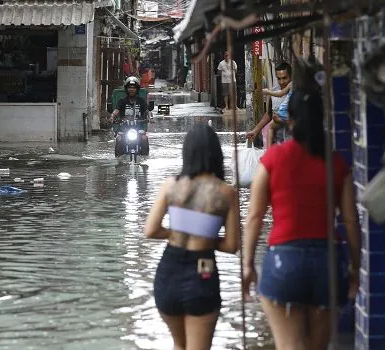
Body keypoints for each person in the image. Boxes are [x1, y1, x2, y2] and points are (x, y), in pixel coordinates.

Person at [242, 87, 361, 349]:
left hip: (285, 263)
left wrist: (248, 265)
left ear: (290, 120)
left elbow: (254, 217)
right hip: (328, 264)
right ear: (322, 118)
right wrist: (354, 266)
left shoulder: (272, 159)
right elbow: (351, 221)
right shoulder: (337, 162)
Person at [145, 124, 240, 350]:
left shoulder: (172, 185)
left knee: (179, 345)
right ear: (216, 153)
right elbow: (231, 245)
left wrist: (179, 231)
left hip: (168, 272)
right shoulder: (226, 192)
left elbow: (151, 230)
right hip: (203, 270)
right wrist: (204, 235)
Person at [246, 62, 292, 147]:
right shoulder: (273, 92)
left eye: (284, 78)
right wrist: (256, 130)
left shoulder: (297, 93)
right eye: (279, 78)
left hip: (292, 141)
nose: (281, 82)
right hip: (276, 142)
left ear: (291, 77)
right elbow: (269, 114)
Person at [110, 76, 149, 157]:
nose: (131, 89)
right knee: (119, 139)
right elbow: (116, 111)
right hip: (124, 128)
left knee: (144, 139)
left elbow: (147, 111)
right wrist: (112, 116)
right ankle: (118, 162)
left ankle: (145, 160)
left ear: (137, 89)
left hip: (139, 128)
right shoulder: (122, 101)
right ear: (126, 89)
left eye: (134, 88)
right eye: (129, 87)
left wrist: (150, 117)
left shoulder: (141, 101)